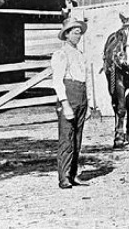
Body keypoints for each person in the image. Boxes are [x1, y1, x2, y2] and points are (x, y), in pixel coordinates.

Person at [51, 17, 90, 189]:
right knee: (66, 139)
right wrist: (65, 104)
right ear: (66, 35)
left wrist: (87, 104)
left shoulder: (80, 55)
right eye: (75, 33)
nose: (78, 36)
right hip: (68, 96)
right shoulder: (61, 54)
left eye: (80, 33)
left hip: (80, 97)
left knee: (77, 139)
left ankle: (73, 175)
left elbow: (84, 80)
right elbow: (58, 82)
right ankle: (64, 177)